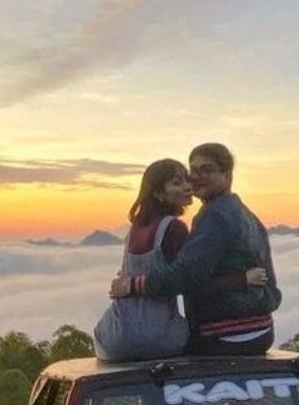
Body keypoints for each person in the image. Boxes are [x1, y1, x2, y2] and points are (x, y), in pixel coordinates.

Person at [110, 142, 281, 355]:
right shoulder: (244, 214)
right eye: (194, 170)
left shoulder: (216, 216)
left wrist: (132, 286)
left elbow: (186, 276)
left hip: (228, 334)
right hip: (259, 329)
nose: (196, 177)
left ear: (227, 176)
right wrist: (241, 280)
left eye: (207, 170)